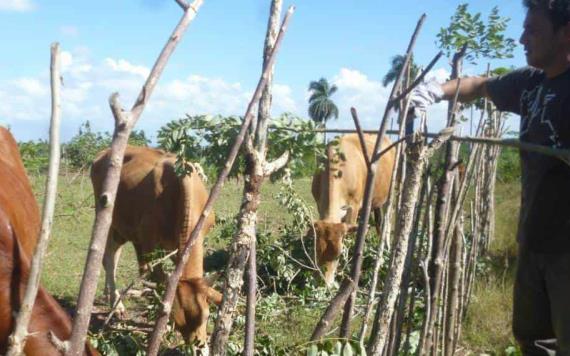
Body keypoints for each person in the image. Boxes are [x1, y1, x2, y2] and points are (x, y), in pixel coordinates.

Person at [409, 0, 570, 354]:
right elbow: (479, 86)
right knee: (534, 340)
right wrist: (434, 92)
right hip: (533, 241)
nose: (522, 38)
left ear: (565, 34)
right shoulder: (530, 83)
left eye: (533, 30)